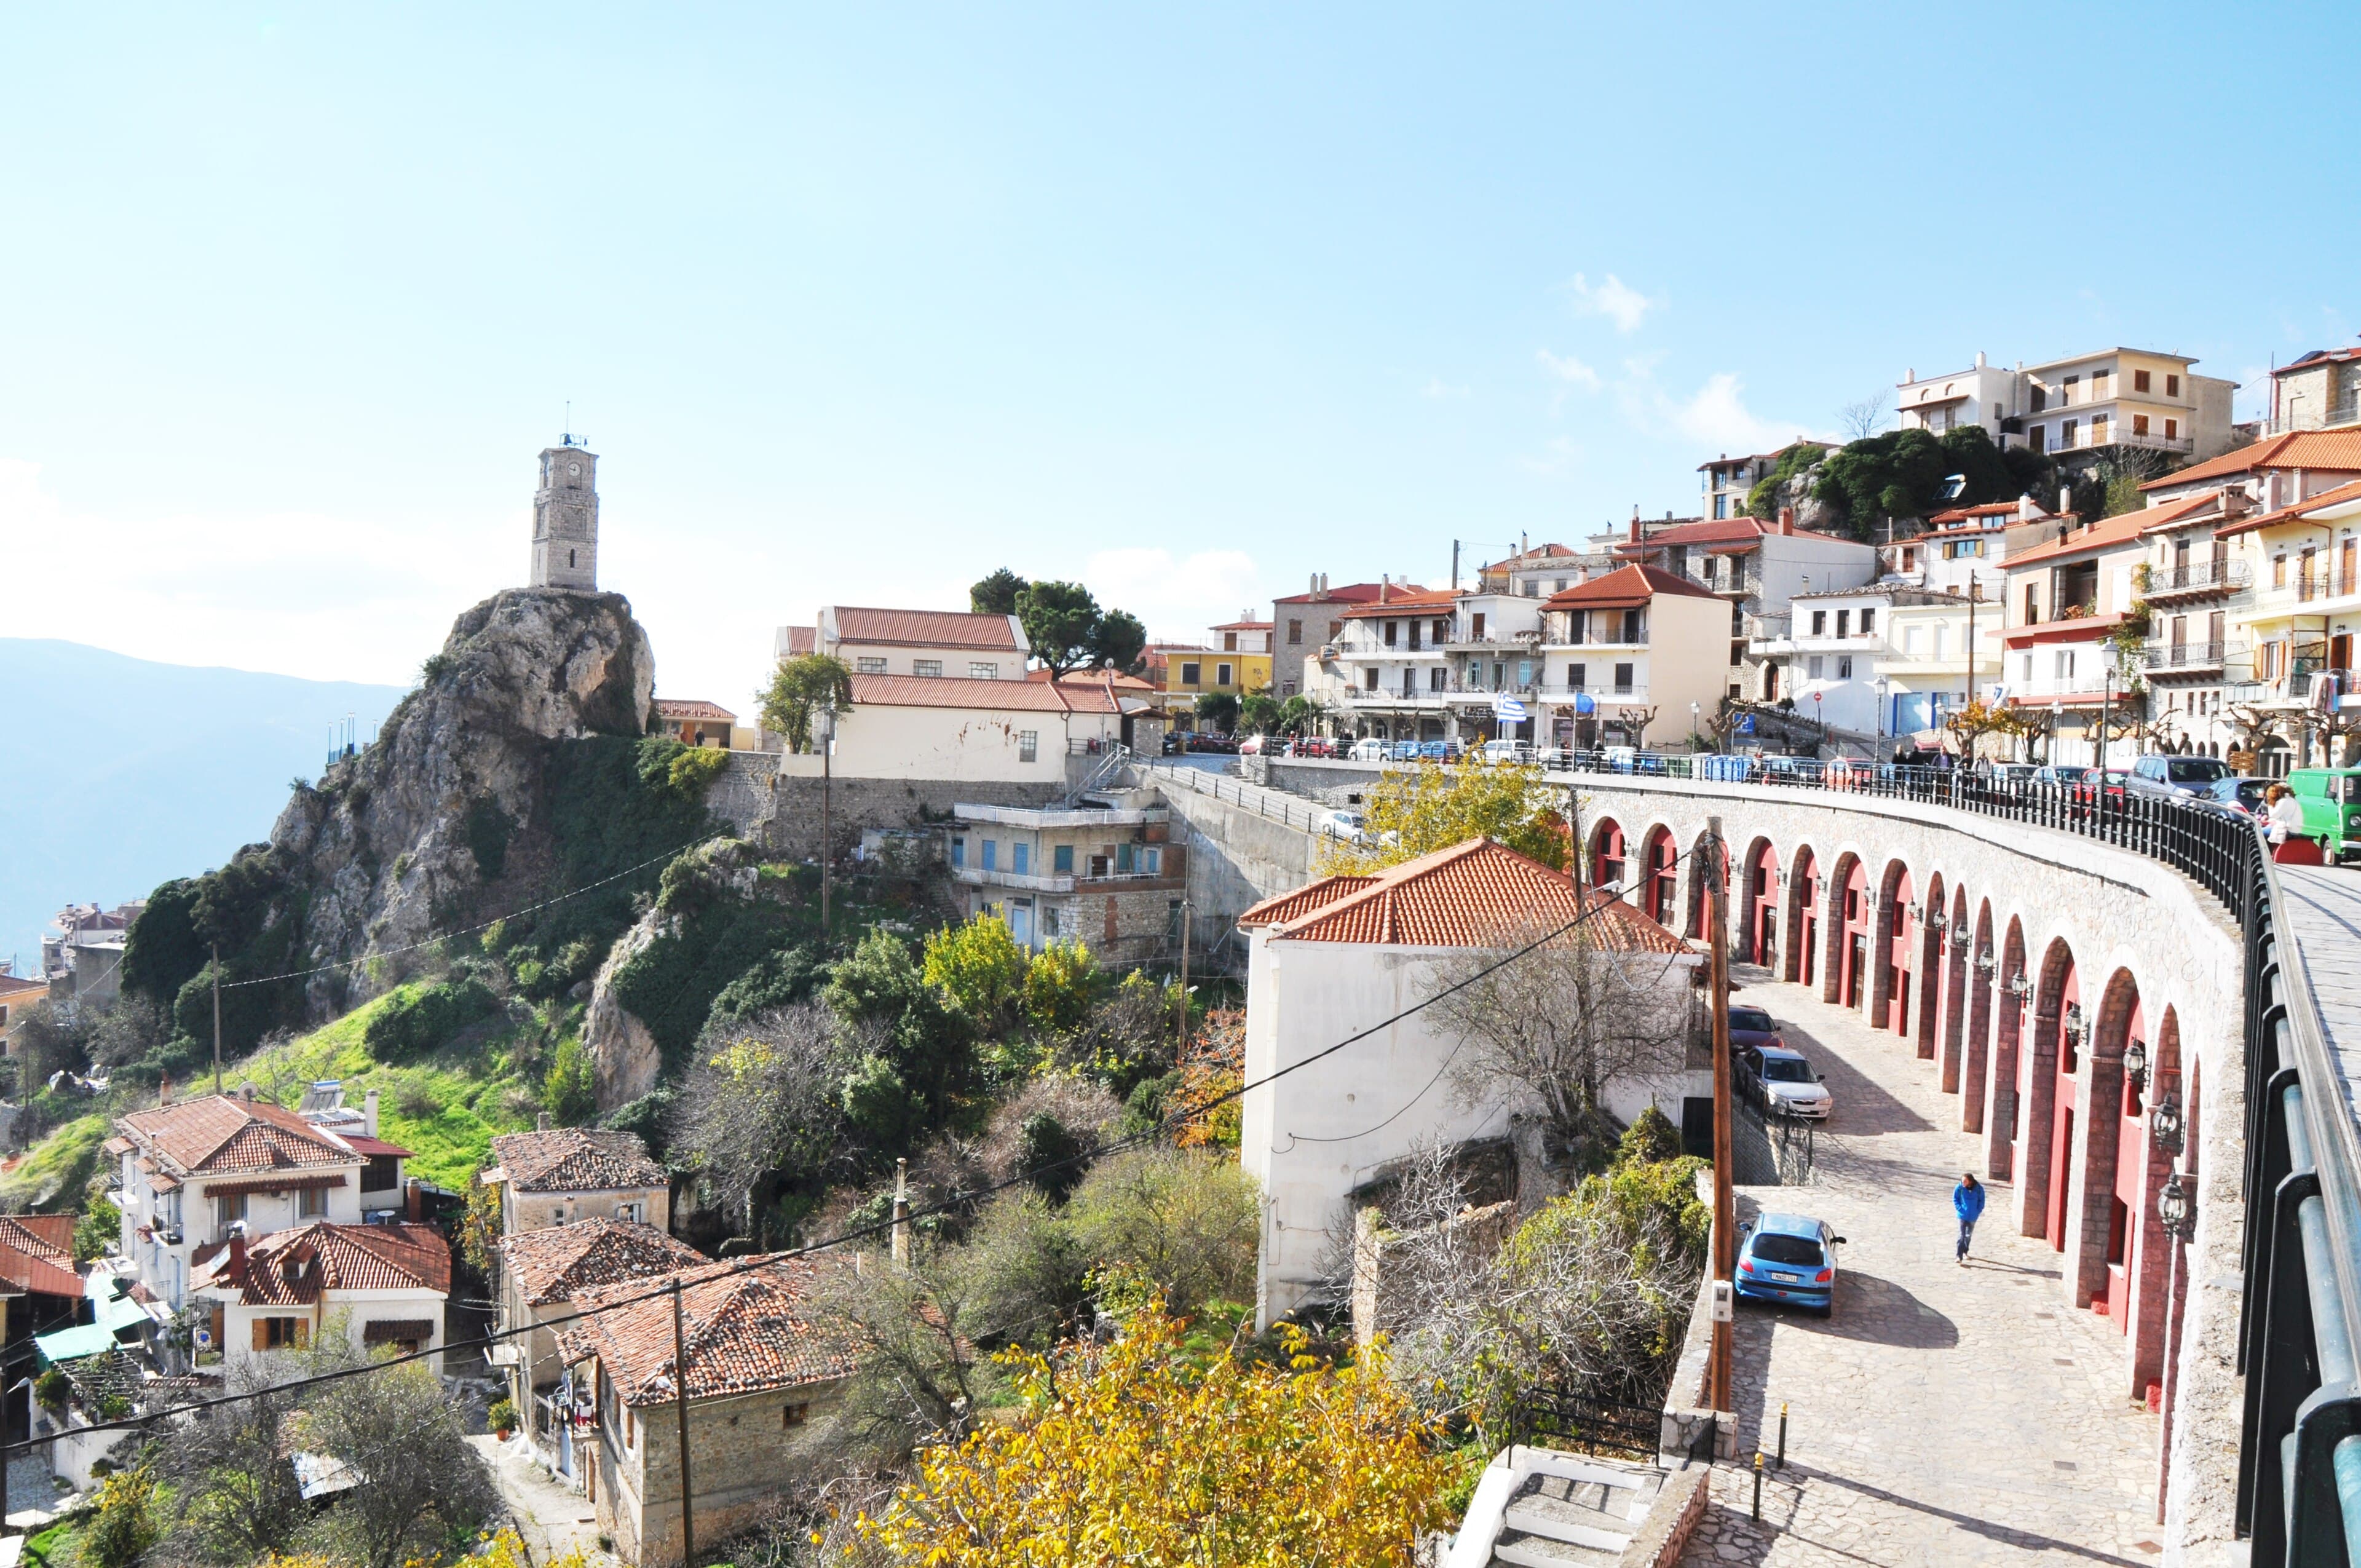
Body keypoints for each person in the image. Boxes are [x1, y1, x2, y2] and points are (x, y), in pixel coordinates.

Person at [1953, 1172, 1986, 1264]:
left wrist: (1978, 1211)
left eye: (1965, 1181)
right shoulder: (1959, 1188)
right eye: (1962, 1181)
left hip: (1973, 1216)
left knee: (1968, 1236)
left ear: (1970, 1181)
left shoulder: (1979, 1189)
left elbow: (1982, 1201)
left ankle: (1965, 1251)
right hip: (1962, 1215)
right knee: (1961, 1236)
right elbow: (1955, 1199)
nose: (1963, 1183)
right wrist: (1960, 1209)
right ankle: (1959, 1256)